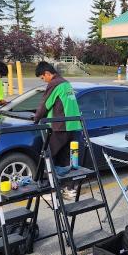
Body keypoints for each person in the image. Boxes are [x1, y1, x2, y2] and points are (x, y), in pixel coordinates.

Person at [33, 61, 82, 199]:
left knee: (48, 157)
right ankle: (69, 189)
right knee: (67, 159)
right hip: (73, 126)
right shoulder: (66, 83)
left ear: (47, 74)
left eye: (43, 78)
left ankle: (50, 191)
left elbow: (44, 104)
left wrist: (35, 120)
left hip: (60, 126)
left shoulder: (55, 84)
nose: (44, 81)